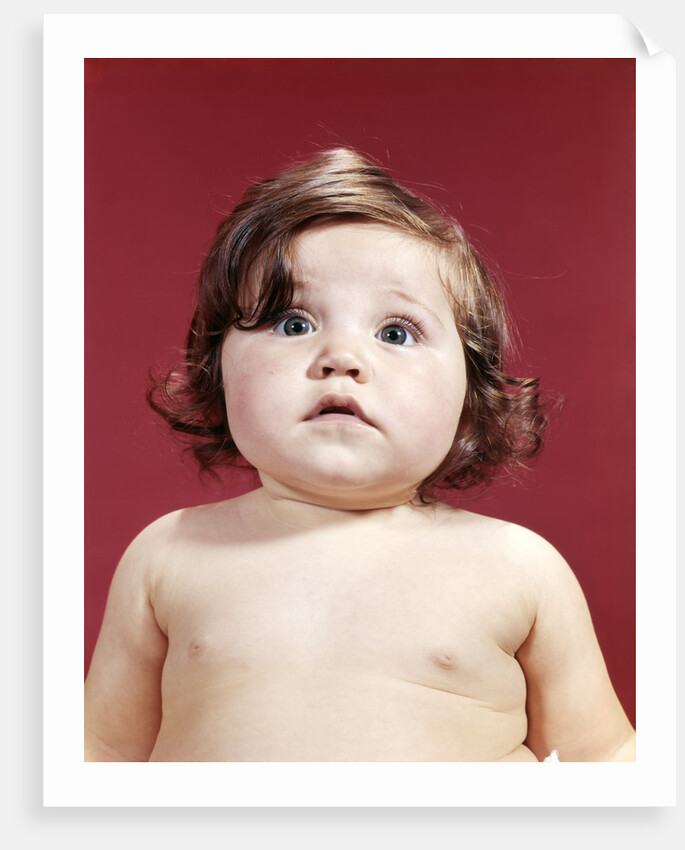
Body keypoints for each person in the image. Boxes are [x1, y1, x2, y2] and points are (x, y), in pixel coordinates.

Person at [84, 148, 635, 762]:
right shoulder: (170, 553)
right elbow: (102, 752)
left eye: (396, 333)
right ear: (215, 368)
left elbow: (605, 760)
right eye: (292, 323)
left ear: (472, 392)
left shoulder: (520, 567)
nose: (340, 356)